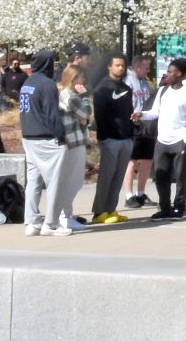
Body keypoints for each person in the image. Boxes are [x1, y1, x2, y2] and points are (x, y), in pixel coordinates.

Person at [17, 48, 66, 238]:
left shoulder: (28, 82)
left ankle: (31, 221)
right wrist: (60, 136)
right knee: (54, 181)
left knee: (34, 181)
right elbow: (52, 114)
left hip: (28, 137)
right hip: (46, 138)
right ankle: (51, 224)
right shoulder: (47, 84)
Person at [38, 67, 91, 236]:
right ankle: (63, 216)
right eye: (81, 77)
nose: (83, 81)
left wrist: (84, 119)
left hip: (73, 140)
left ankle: (66, 215)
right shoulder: (70, 95)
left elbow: (85, 119)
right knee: (73, 181)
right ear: (74, 78)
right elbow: (86, 113)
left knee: (71, 180)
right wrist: (85, 97)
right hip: (72, 142)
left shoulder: (64, 93)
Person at [89, 55, 136, 226]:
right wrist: (104, 136)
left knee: (118, 176)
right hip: (110, 138)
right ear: (109, 67)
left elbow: (128, 113)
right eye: (117, 65)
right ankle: (99, 212)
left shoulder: (126, 88)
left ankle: (111, 209)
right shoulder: (102, 88)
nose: (120, 69)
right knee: (106, 176)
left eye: (123, 66)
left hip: (126, 138)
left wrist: (133, 128)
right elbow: (99, 116)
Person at [148, 59, 186, 220]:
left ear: (180, 74)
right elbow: (154, 112)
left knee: (180, 177)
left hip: (179, 141)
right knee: (160, 176)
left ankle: (179, 206)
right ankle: (164, 207)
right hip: (162, 140)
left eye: (170, 72)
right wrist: (141, 115)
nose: (167, 74)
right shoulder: (163, 91)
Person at [124, 60, 159, 209]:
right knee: (132, 161)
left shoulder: (145, 83)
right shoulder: (127, 82)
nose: (148, 70)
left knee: (147, 160)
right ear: (137, 67)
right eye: (146, 67)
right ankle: (129, 195)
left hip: (146, 125)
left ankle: (141, 193)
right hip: (133, 125)